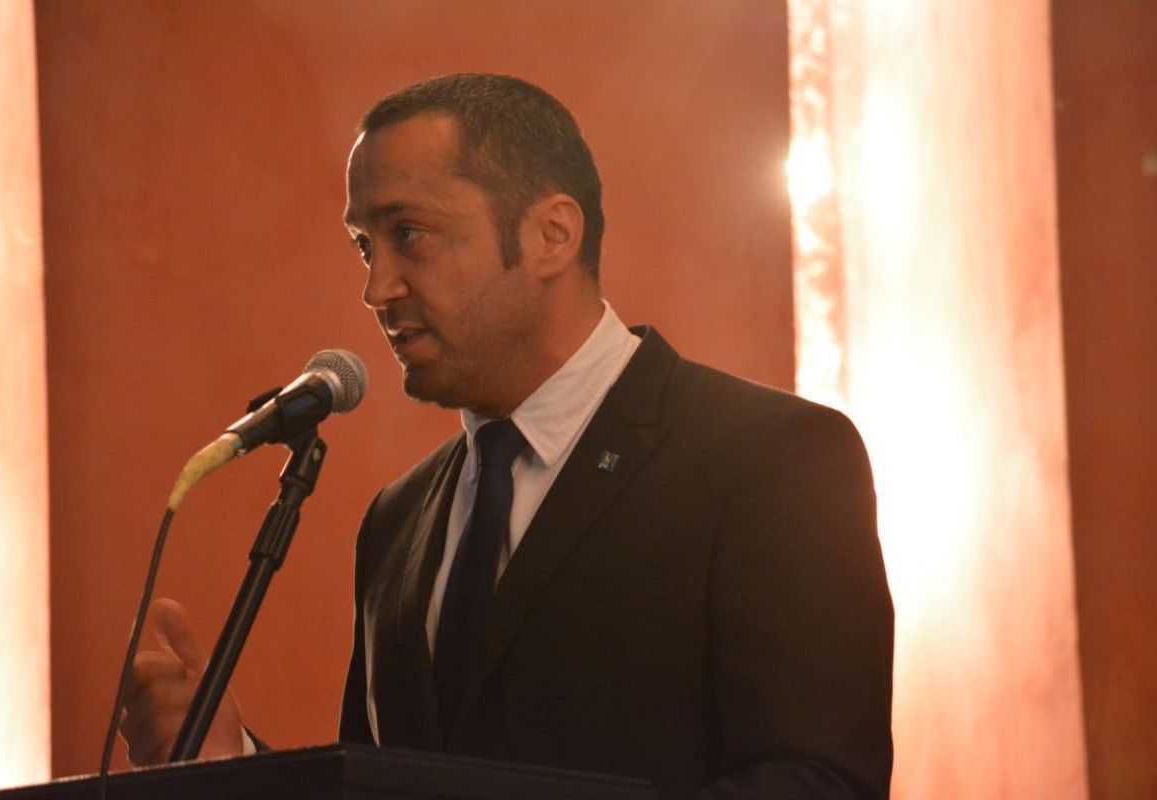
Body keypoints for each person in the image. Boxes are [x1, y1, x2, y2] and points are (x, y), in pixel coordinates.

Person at [120, 74, 894, 798]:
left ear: (551, 235)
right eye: (365, 245)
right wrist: (233, 762)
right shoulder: (396, 520)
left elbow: (819, 783)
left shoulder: (772, 460)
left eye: (410, 234)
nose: (376, 288)